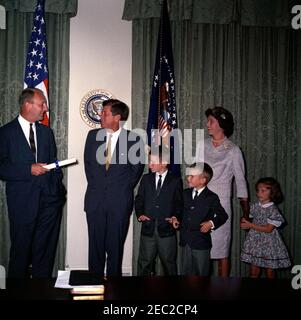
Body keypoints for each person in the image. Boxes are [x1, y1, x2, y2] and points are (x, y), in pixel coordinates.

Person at [0, 88, 65, 278]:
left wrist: (57, 189)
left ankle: (41, 291)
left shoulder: (47, 132)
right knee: (20, 252)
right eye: (42, 104)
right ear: (27, 105)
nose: (45, 108)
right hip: (22, 203)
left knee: (44, 253)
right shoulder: (5, 133)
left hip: (50, 202)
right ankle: (17, 293)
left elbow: (54, 163)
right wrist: (28, 169)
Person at [84, 99, 144, 276]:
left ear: (117, 117)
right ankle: (94, 283)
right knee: (95, 248)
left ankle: (113, 288)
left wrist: (117, 189)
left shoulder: (134, 140)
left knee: (115, 248)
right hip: (95, 202)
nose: (100, 115)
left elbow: (135, 172)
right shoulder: (92, 136)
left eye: (105, 113)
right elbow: (89, 167)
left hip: (119, 203)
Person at [196, 106, 249, 277]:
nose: (207, 124)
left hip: (221, 205)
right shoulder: (201, 144)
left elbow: (241, 182)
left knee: (221, 251)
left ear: (222, 124)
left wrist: (245, 212)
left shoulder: (233, 150)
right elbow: (195, 173)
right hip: (201, 202)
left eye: (211, 121)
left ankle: (223, 290)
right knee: (200, 249)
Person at [135, 148, 183, 276]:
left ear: (165, 162)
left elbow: (179, 203)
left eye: (153, 161)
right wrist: (139, 214)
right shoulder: (146, 179)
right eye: (149, 161)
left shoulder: (175, 180)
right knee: (144, 263)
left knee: (169, 264)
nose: (149, 164)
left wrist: (175, 217)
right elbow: (139, 199)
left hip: (166, 231)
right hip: (148, 229)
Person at [177, 163, 228, 276]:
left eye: (192, 176)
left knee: (201, 274)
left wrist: (211, 223)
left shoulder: (211, 197)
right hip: (185, 242)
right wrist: (175, 218)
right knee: (185, 272)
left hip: (201, 244)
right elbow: (178, 211)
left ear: (203, 180)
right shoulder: (184, 194)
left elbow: (223, 215)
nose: (188, 178)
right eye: (188, 175)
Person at [240, 177, 291, 279]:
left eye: (263, 191)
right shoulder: (255, 206)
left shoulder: (273, 210)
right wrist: (244, 220)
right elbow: (247, 217)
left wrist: (250, 225)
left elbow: (268, 229)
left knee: (270, 272)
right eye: (258, 190)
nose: (259, 193)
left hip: (269, 244)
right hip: (255, 243)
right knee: (254, 270)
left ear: (272, 193)